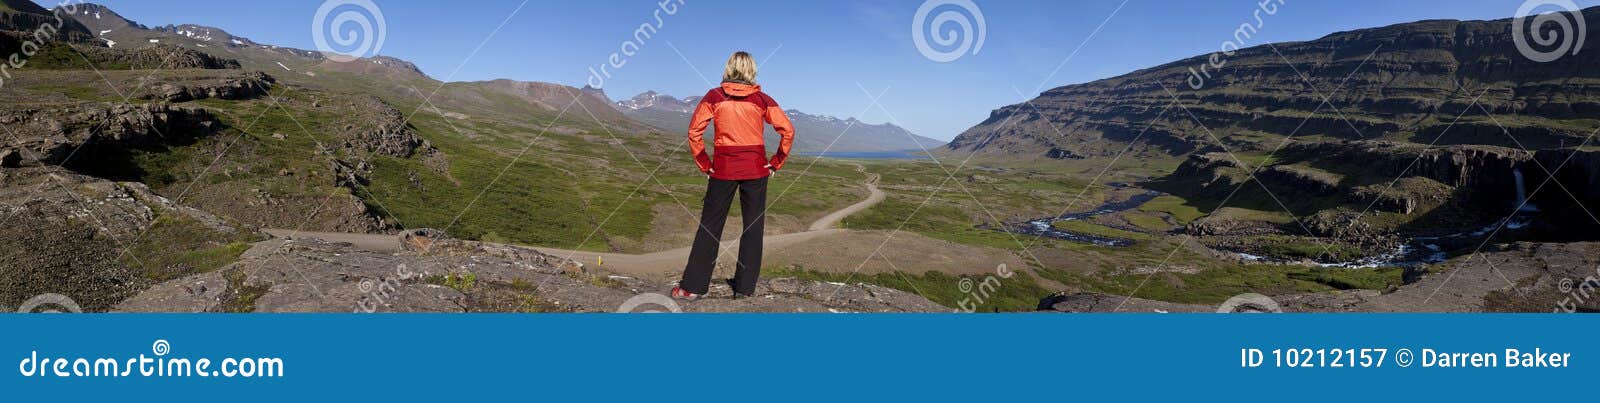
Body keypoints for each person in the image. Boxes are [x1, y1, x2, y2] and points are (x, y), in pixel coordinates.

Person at [671, 51, 795, 300]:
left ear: (728, 68)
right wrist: (775, 163)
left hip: (723, 170)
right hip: (756, 170)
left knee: (710, 226)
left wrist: (705, 165)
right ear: (752, 71)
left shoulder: (714, 97)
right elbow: (788, 131)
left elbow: (694, 132)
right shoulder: (762, 100)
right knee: (753, 228)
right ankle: (745, 288)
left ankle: (693, 287)